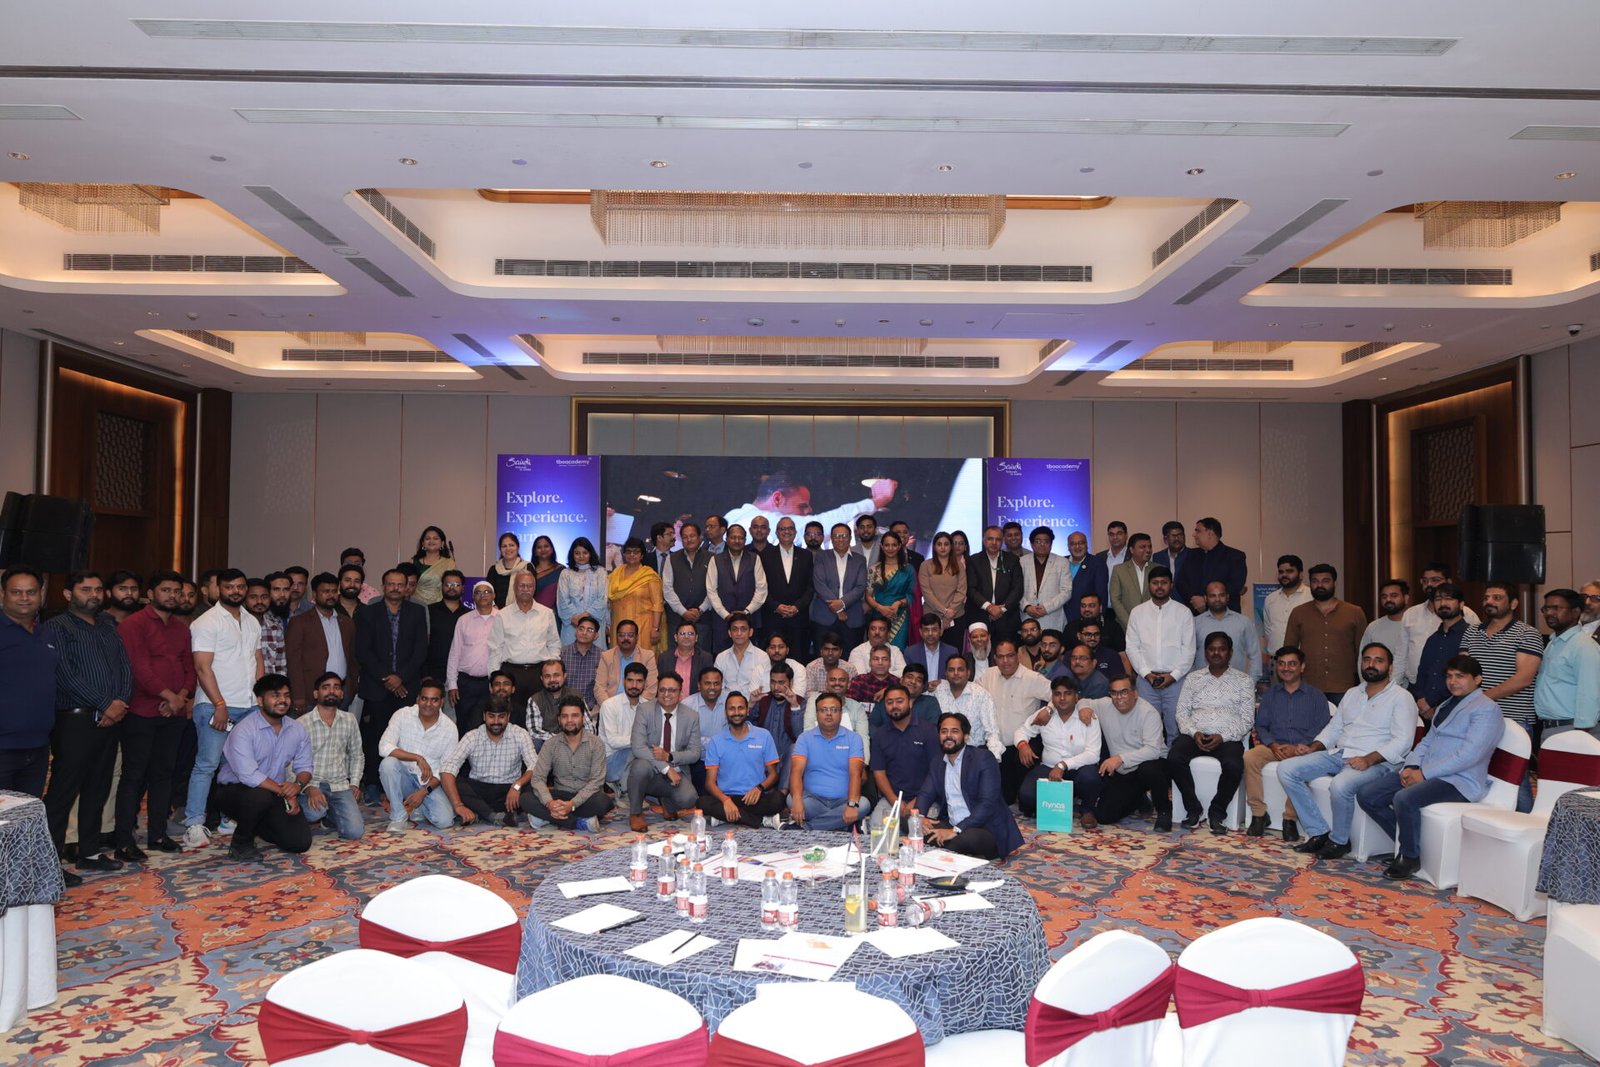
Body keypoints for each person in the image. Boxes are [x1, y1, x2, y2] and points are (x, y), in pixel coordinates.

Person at [1356, 654, 1505, 880]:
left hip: (1459, 780)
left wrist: (1424, 774)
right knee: (1368, 794)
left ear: (1477, 679)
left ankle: (1409, 857)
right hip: (1425, 771)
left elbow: (1469, 755)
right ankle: (1411, 845)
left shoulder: (1487, 709)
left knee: (1404, 798)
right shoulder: (1446, 704)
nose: (1453, 682)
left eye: (1460, 676)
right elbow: (1427, 741)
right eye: (1449, 676)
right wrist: (1411, 765)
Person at [1281, 642, 1416, 860]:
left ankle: (1340, 841)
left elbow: (1403, 741)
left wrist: (1368, 759)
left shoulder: (1401, 697)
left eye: (1378, 661)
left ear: (1390, 667)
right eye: (1367, 659)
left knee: (1341, 784)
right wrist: (1313, 747)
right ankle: (1318, 832)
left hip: (1379, 761)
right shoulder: (1353, 693)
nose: (1371, 664)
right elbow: (1334, 728)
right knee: (1287, 769)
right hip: (1340, 754)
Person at [43, 570, 132, 874]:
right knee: (64, 792)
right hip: (75, 720)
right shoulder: (56, 627)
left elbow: (124, 667)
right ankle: (50, 864)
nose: (93, 595)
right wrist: (105, 703)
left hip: (112, 719)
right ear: (68, 594)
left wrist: (119, 703)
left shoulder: (108, 625)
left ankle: (90, 853)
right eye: (85, 589)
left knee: (98, 787)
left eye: (97, 589)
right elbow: (65, 674)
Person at [115, 569, 193, 859]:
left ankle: (157, 835)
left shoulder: (181, 628)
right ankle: (124, 840)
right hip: (141, 711)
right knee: (134, 776)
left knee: (164, 775)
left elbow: (189, 667)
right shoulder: (134, 624)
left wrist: (180, 698)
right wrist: (170, 697)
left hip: (173, 714)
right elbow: (139, 668)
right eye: (166, 590)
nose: (172, 596)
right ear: (151, 594)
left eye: (177, 591)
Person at [183, 569, 264, 850]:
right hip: (215, 705)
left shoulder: (252, 621)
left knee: (240, 766)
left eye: (240, 586)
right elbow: (202, 667)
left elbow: (257, 659)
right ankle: (194, 824)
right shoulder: (206, 622)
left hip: (249, 705)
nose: (235, 591)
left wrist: (260, 698)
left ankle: (231, 817)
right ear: (218, 589)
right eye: (229, 587)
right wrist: (219, 704)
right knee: (207, 765)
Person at [1461, 582, 1544, 810]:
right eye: (1486, 597)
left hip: (1513, 719)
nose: (1489, 601)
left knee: (1515, 780)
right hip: (1476, 718)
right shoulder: (1471, 631)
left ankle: (1525, 826)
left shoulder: (1528, 633)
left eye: (1497, 597)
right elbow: (1463, 672)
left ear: (1514, 603)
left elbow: (1523, 678)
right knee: (1479, 775)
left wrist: (1481, 698)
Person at [215, 674, 313, 861]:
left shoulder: (297, 729)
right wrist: (287, 794)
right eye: (275, 695)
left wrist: (297, 786)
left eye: (286, 695)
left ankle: (255, 823)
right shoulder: (244, 730)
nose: (282, 700)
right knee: (258, 798)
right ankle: (241, 844)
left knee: (299, 842)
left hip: (273, 791)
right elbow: (249, 775)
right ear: (260, 701)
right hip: (235, 791)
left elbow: (306, 766)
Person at [1169, 632, 1255, 835]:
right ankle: (1193, 809)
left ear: (1230, 652)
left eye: (1222, 649)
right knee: (1174, 757)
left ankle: (1217, 812)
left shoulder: (1244, 680)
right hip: (1196, 735)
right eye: (1212, 649)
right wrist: (1194, 733)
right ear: (1206, 653)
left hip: (1227, 738)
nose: (1217, 653)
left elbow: (1247, 719)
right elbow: (1181, 713)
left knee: (1234, 764)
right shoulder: (1193, 678)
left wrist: (1222, 736)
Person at [354, 568, 428, 803]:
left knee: (406, 737)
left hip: (406, 687)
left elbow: (420, 651)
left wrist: (400, 678)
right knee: (375, 737)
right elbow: (363, 651)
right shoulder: (368, 613)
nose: (396, 588)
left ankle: (401, 783)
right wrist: (388, 678)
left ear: (407, 587)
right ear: (383, 586)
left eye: (400, 584)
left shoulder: (417, 612)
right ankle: (373, 783)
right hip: (377, 687)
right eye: (391, 584)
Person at [1243, 647, 1329, 841]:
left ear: (1302, 667)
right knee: (1250, 757)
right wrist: (1272, 745)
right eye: (1281, 664)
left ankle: (1290, 819)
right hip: (1275, 747)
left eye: (1292, 664)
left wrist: (1301, 746)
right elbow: (1261, 725)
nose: (1286, 668)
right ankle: (1258, 814)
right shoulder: (1271, 695)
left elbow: (1322, 726)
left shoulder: (1316, 696)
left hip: (1303, 749)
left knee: (1302, 765)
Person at [911, 712, 1023, 860]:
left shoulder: (983, 758)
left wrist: (956, 830)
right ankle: (953, 849)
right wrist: (919, 818)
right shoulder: (938, 762)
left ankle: (950, 848)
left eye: (954, 731)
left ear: (965, 736)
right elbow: (926, 794)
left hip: (984, 827)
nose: (948, 735)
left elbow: (987, 804)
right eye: (944, 731)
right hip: (952, 823)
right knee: (911, 824)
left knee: (962, 839)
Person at [1085, 677, 1173, 831]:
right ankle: (1139, 799)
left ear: (1135, 693)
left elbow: (1153, 750)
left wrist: (1120, 758)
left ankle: (1164, 811)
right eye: (1114, 693)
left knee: (1149, 769)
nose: (1119, 698)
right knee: (1104, 816)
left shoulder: (1148, 712)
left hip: (1151, 764)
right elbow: (1083, 701)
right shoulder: (1105, 705)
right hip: (1124, 771)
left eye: (1124, 692)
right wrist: (1083, 709)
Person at [1016, 675, 1103, 824]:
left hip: (1079, 769)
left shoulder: (1087, 716)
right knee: (1026, 796)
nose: (1062, 698)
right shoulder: (1045, 715)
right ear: (1052, 697)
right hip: (1048, 767)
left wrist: (1063, 765)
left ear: (1076, 696)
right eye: (1057, 694)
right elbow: (1022, 730)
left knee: (1091, 778)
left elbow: (1093, 754)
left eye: (1067, 693)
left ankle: (1086, 810)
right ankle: (1067, 806)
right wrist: (1022, 745)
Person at [724, 470, 897, 546]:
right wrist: (878, 500)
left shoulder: (735, 515)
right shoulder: (751, 521)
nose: (808, 511)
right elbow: (819, 525)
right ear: (777, 498)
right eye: (802, 506)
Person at [441, 696, 539, 827]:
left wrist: (517, 785)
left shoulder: (520, 734)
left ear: (508, 717)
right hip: (479, 791)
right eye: (491, 716)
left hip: (509, 791)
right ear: (484, 716)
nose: (496, 722)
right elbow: (448, 767)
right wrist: (458, 805)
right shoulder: (472, 736)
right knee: (453, 780)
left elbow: (534, 765)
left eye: (501, 717)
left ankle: (481, 813)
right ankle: (493, 816)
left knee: (533, 784)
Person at [377, 679, 459, 833]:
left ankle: (418, 807)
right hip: (404, 776)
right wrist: (417, 758)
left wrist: (423, 792)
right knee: (388, 764)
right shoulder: (402, 715)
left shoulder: (450, 728)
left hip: (429, 783)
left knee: (445, 821)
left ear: (442, 702)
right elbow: (384, 747)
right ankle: (398, 816)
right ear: (417, 699)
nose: (428, 704)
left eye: (434, 700)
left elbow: (446, 769)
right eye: (424, 699)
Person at [976, 639, 1052, 804]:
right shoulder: (988, 675)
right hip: (997, 747)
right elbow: (971, 692)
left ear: (1017, 656)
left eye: (1010, 656)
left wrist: (1049, 710)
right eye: (1000, 657)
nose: (1005, 661)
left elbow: (1060, 694)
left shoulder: (1032, 678)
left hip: (1024, 747)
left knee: (1027, 800)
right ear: (995, 658)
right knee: (1004, 799)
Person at [1125, 565, 1195, 742]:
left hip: (1176, 681)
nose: (1159, 586)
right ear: (1149, 585)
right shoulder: (1137, 612)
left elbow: (1189, 650)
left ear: (1171, 585)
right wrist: (1146, 674)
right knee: (1147, 730)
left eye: (1164, 582)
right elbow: (1132, 647)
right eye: (1155, 583)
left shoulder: (1183, 612)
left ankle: (1173, 759)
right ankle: (1153, 759)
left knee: (1176, 731)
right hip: (1146, 681)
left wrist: (1174, 676)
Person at [626, 671, 701, 831]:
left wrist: (670, 756)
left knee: (689, 799)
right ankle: (636, 813)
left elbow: (695, 753)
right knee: (640, 767)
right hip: (649, 767)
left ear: (680, 693)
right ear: (657, 691)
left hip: (676, 769)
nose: (666, 694)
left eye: (672, 690)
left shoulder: (691, 716)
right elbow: (638, 747)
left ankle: (667, 802)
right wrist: (666, 768)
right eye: (662, 690)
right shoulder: (644, 710)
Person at [525, 697, 614, 831]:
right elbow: (538, 778)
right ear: (559, 719)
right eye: (565, 716)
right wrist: (550, 803)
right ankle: (579, 822)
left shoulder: (596, 744)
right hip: (560, 794)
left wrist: (572, 804)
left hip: (586, 797)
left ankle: (547, 818)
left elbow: (596, 782)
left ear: (583, 718)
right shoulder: (550, 744)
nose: (570, 720)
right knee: (526, 798)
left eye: (575, 716)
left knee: (604, 802)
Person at [699, 692, 787, 828]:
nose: (736, 713)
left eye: (740, 708)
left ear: (747, 711)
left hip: (755, 797)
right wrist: (725, 800)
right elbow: (710, 783)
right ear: (726, 712)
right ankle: (761, 820)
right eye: (732, 709)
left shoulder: (764, 735)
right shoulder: (716, 741)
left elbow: (773, 775)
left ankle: (727, 817)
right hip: (728, 797)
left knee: (778, 799)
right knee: (702, 803)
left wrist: (759, 788)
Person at [1284, 564, 1368, 703]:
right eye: (1315, 581)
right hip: (1309, 685)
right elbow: (1289, 650)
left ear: (1335, 583)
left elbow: (1363, 651)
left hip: (1345, 686)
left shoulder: (1354, 612)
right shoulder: (1298, 613)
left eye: (1325, 581)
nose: (1319, 585)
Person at [297, 672, 364, 840]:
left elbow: (357, 754)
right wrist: (308, 788)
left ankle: (330, 815)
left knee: (354, 832)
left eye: (336, 687)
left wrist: (354, 783)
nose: (332, 691)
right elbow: (290, 762)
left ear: (342, 694)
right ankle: (319, 811)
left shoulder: (350, 719)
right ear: (316, 694)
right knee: (314, 813)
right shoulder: (301, 723)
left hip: (339, 784)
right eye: (326, 687)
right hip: (312, 783)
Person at [489, 570, 562, 722]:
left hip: (538, 673)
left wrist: (550, 670)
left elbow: (554, 644)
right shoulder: (502, 615)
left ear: (534, 588)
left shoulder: (547, 613)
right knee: (513, 717)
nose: (525, 589)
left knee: (541, 717)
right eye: (521, 585)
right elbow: (495, 649)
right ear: (514, 588)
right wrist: (494, 678)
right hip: (511, 673)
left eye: (529, 586)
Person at [789, 691, 866, 830]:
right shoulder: (804, 738)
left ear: (841, 713)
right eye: (823, 710)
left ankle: (806, 827)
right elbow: (796, 771)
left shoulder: (854, 739)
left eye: (834, 710)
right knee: (791, 799)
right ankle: (840, 824)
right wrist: (797, 800)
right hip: (813, 800)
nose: (829, 714)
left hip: (844, 800)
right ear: (817, 714)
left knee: (863, 805)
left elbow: (856, 774)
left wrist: (851, 804)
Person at [870, 682, 940, 830]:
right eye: (889, 702)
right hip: (892, 799)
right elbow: (879, 773)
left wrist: (917, 801)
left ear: (909, 703)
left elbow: (936, 772)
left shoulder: (928, 730)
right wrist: (894, 801)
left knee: (922, 831)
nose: (894, 706)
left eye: (899, 701)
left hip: (926, 798)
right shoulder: (880, 735)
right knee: (877, 829)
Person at [286, 573, 356, 715]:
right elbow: (293, 662)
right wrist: (298, 696)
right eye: (325, 591)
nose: (331, 596)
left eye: (334, 591)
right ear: (314, 594)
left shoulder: (347, 622)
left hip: (341, 693)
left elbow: (353, 658)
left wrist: (351, 688)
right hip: (311, 695)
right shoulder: (300, 622)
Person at [1534, 588, 1600, 741]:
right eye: (1546, 608)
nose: (1549, 613)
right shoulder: (1554, 642)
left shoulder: (1583, 645)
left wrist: (1581, 734)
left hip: (1575, 730)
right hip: (1552, 728)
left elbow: (1590, 692)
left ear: (1575, 612)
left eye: (1556, 608)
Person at [1400, 563, 1480, 685]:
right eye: (1425, 581)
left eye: (1435, 580)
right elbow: (1402, 655)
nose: (1429, 584)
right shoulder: (1413, 616)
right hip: (1417, 686)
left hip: (1456, 688)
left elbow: (1477, 663)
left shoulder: (1469, 620)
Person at [1411, 582, 1468, 720]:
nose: (1443, 603)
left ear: (1461, 604)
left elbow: (1466, 677)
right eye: (1438, 599)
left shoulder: (1470, 636)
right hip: (1425, 710)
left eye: (1449, 598)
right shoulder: (1432, 639)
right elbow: (1422, 673)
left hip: (1456, 710)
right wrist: (1421, 699)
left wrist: (1432, 702)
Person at [446, 580, 498, 735]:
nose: (483, 595)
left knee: (491, 726)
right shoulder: (463, 620)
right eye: (478, 592)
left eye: (487, 592)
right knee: (464, 725)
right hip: (466, 683)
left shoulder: (503, 618)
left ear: (494, 595)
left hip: (491, 684)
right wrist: (452, 684)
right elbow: (454, 653)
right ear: (473, 597)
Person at [705, 525, 765, 653]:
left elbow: (761, 589)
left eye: (740, 538)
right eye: (733, 537)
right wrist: (726, 615)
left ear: (745, 540)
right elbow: (711, 591)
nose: (737, 541)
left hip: (749, 620)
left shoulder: (755, 558)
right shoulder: (715, 560)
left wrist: (747, 612)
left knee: (750, 658)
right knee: (722, 659)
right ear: (726, 539)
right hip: (722, 621)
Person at [762, 516, 814, 659]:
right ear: (776, 532)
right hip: (773, 617)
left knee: (798, 659)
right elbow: (760, 587)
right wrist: (776, 606)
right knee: (772, 660)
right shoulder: (764, 555)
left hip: (798, 619)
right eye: (782, 529)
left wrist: (797, 607)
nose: (786, 532)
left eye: (790, 528)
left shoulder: (806, 555)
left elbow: (810, 586)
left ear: (796, 532)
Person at [812, 522, 868, 653]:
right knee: (823, 658)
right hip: (824, 617)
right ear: (831, 538)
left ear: (850, 538)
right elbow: (819, 584)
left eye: (844, 536)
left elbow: (860, 586)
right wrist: (838, 608)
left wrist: (842, 603)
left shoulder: (860, 560)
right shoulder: (821, 556)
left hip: (852, 617)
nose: (840, 539)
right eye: (836, 536)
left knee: (851, 657)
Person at [935, 653, 1004, 760]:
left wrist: (993, 759)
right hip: (945, 753)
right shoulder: (939, 691)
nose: (956, 673)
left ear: (968, 673)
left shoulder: (981, 695)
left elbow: (992, 731)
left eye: (960, 669)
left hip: (973, 754)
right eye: (951, 670)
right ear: (946, 673)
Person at [1193, 580, 1262, 681]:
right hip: (1203, 684)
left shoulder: (1243, 622)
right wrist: (1194, 682)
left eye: (1221, 595)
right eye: (1212, 596)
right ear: (1206, 598)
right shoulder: (1195, 623)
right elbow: (1188, 656)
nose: (1217, 599)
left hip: (1237, 685)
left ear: (1227, 597)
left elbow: (1255, 656)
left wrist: (1250, 683)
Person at [1177, 517, 1248, 614]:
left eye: (1198, 531)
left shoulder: (1235, 557)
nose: (1194, 535)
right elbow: (1181, 582)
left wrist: (1205, 600)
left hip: (1225, 615)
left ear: (1210, 533)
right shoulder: (1191, 555)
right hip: (1195, 613)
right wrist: (1193, 599)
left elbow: (1235, 586)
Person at [598, 662, 651, 791]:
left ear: (645, 684)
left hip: (638, 757)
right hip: (611, 761)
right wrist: (640, 741)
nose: (634, 685)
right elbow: (613, 741)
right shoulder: (609, 705)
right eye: (630, 680)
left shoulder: (648, 707)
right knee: (637, 751)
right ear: (623, 681)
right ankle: (624, 790)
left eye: (639, 681)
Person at [967, 525, 1023, 644]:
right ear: (984, 540)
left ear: (1002, 541)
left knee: (1006, 651)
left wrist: (1001, 609)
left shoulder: (1012, 560)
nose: (994, 543)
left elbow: (1017, 588)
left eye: (998, 539)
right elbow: (971, 588)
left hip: (1007, 617)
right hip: (981, 615)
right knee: (982, 651)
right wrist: (989, 607)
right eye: (990, 539)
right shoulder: (974, 560)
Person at [662, 522, 714, 651]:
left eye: (692, 536)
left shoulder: (712, 558)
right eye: (685, 537)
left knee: (702, 657)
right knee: (676, 657)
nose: (689, 539)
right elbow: (667, 589)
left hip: (703, 619)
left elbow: (714, 588)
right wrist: (683, 612)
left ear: (700, 537)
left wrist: (700, 610)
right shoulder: (671, 558)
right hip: (677, 619)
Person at [608, 537, 665, 653]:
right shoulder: (616, 573)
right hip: (618, 625)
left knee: (641, 659)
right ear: (624, 554)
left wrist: (655, 628)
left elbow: (657, 604)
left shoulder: (649, 575)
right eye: (628, 551)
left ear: (642, 555)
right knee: (618, 659)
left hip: (643, 627)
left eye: (636, 552)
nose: (632, 555)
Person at [865, 530, 915, 649]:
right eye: (887, 545)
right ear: (882, 547)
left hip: (900, 618)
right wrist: (880, 608)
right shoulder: (874, 569)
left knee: (898, 650)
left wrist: (899, 603)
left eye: (894, 545)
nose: (890, 548)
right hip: (878, 616)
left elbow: (912, 595)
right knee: (877, 650)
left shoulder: (908, 569)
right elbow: (868, 596)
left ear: (899, 546)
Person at [1360, 580, 1414, 691]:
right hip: (1376, 688)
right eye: (1384, 597)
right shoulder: (1373, 627)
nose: (1388, 600)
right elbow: (1362, 659)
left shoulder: (1414, 625)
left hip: (1410, 688)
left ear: (1406, 598)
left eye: (1394, 596)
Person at [556, 537, 610, 647]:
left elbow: (602, 598)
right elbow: (563, 600)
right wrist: (576, 619)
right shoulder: (566, 573)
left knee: (595, 656)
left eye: (585, 553)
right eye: (577, 553)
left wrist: (586, 618)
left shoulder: (600, 572)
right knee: (570, 655)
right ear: (572, 554)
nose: (581, 556)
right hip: (572, 624)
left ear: (590, 553)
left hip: (594, 623)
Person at [423, 570, 468, 699]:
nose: (452, 588)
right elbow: (421, 644)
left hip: (461, 676)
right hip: (433, 674)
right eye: (448, 584)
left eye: (456, 585)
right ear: (441, 586)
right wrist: (425, 674)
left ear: (463, 588)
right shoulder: (428, 611)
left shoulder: (469, 615)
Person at [752, 662, 806, 770]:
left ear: (791, 682)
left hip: (787, 761)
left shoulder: (800, 702)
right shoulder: (762, 700)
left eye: (781, 683)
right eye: (773, 682)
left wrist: (794, 706)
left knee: (795, 749)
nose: (776, 687)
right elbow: (748, 729)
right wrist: (751, 705)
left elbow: (799, 736)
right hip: (762, 759)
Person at [595, 619, 660, 705]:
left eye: (630, 635)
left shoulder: (647, 656)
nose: (625, 638)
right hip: (611, 705)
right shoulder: (606, 656)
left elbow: (651, 689)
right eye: (621, 635)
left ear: (637, 637)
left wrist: (635, 707)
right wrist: (609, 707)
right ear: (616, 637)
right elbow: (599, 688)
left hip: (639, 706)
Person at [1019, 526, 1072, 633]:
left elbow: (1066, 591)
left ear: (1051, 544)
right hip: (1027, 617)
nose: (1042, 545)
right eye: (1038, 541)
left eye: (1046, 541)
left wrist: (1046, 608)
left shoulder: (1062, 562)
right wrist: (1026, 606)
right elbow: (1015, 589)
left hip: (1053, 617)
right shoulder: (1021, 562)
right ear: (1032, 544)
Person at [918, 532, 966, 643]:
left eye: (946, 544)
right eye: (939, 544)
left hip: (955, 615)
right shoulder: (925, 565)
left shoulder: (959, 565)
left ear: (951, 546)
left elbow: (961, 591)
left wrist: (949, 614)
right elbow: (927, 593)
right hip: (931, 616)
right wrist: (944, 611)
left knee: (954, 650)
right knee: (932, 649)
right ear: (934, 547)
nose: (943, 547)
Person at [1263, 555, 1313, 658]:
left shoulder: (1311, 596)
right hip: (1276, 660)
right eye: (1281, 572)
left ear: (1300, 574)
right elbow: (1268, 631)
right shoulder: (1270, 599)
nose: (1284, 575)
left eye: (1289, 571)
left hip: (1304, 660)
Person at [714, 613, 770, 703]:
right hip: (726, 706)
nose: (739, 633)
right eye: (735, 629)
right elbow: (717, 687)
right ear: (729, 633)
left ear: (750, 632)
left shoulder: (762, 656)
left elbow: (765, 688)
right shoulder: (721, 657)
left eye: (743, 629)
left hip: (754, 705)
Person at [1109, 532, 1155, 629]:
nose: (1148, 550)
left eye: (1149, 547)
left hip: (1152, 624)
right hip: (1125, 625)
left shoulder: (1158, 569)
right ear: (1131, 550)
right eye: (1143, 547)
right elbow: (1115, 599)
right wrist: (1130, 623)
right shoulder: (1119, 570)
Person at [1061, 530, 1107, 626]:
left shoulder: (1097, 563)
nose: (1077, 547)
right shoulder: (1061, 562)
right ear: (1068, 547)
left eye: (1081, 543)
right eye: (1073, 544)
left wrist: (1099, 618)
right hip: (1060, 617)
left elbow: (1101, 594)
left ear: (1087, 545)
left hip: (1086, 619)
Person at [559, 613, 603, 711]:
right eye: (581, 629)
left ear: (596, 635)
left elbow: (604, 686)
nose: (584, 633)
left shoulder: (602, 656)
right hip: (565, 708)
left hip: (593, 709)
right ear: (576, 632)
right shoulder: (562, 654)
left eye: (589, 630)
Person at [905, 613, 959, 689]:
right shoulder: (910, 653)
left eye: (934, 629)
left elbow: (956, 678)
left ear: (941, 631)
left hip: (945, 693)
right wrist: (926, 686)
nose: (930, 634)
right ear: (920, 632)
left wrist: (942, 684)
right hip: (919, 694)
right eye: (926, 630)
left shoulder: (952, 652)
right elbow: (907, 681)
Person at [408, 526, 457, 607]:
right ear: (423, 543)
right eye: (427, 538)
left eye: (435, 538)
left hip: (440, 607)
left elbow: (452, 586)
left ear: (442, 543)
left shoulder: (449, 563)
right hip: (416, 605)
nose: (431, 541)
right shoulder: (413, 562)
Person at [1074, 619, 1128, 684]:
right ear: (1079, 636)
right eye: (1088, 634)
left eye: (1096, 634)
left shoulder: (1111, 655)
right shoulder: (1071, 656)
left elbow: (1119, 682)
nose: (1093, 638)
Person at [488, 532, 529, 609]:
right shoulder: (494, 570)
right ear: (500, 549)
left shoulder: (527, 567)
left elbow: (532, 592)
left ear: (518, 547)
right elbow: (488, 593)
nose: (508, 549)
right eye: (504, 546)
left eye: (511, 545)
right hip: (498, 612)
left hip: (522, 611)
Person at [528, 535, 564, 614]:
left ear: (552, 549)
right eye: (539, 547)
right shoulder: (529, 570)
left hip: (555, 614)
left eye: (546, 546)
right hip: (533, 613)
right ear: (535, 551)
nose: (543, 549)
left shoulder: (561, 570)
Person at [1152, 521, 1189, 587]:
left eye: (1180, 535)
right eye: (1173, 536)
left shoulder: (1193, 555)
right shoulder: (1157, 557)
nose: (1177, 539)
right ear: (1165, 539)